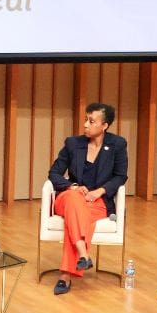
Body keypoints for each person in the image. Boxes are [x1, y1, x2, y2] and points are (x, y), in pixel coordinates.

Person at [47, 103, 128, 295]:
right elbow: (54, 173)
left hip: (96, 201)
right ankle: (82, 254)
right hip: (68, 197)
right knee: (75, 201)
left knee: (74, 222)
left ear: (104, 125)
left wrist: (99, 191)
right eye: (86, 119)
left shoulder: (117, 145)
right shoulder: (73, 143)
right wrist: (72, 186)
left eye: (91, 121)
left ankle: (66, 275)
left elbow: (120, 176)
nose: (85, 124)